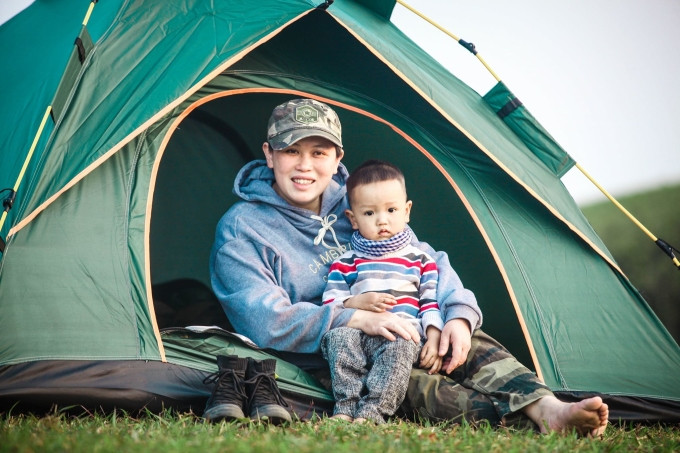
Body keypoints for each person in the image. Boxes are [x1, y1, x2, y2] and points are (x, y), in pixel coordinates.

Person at [209, 98, 608, 435]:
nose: (304, 166)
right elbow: (262, 317)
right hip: (335, 352)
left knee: (471, 345)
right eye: (291, 151)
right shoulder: (243, 228)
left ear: (336, 159)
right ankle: (527, 423)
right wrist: (351, 320)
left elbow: (423, 259)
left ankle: (549, 408)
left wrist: (453, 318)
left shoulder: (362, 200)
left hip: (409, 322)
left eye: (319, 152)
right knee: (420, 391)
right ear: (268, 153)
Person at [320, 160, 443, 424]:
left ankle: (373, 412)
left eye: (391, 210)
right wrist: (357, 302)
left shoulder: (420, 260)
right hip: (359, 334)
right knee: (338, 337)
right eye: (369, 214)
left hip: (402, 335)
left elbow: (430, 303)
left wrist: (433, 335)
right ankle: (345, 407)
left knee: (399, 348)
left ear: (407, 211)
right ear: (353, 219)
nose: (382, 220)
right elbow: (331, 301)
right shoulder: (347, 261)